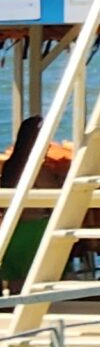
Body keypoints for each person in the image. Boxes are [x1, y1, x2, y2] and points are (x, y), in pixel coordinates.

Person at [1, 117, 51, 292]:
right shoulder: (36, 168)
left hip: (11, 230)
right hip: (33, 230)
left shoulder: (11, 165)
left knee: (16, 282)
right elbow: (53, 193)